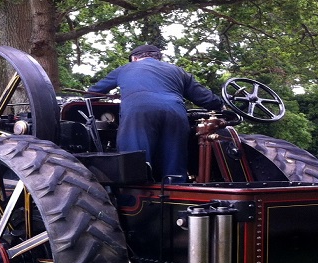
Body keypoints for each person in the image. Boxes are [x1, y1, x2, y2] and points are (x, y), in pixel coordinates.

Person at [88, 44, 224, 182]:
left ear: (134, 58)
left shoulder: (124, 69)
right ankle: (175, 194)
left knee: (135, 159)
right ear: (158, 58)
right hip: (176, 113)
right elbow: (206, 99)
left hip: (139, 112)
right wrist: (221, 105)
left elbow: (93, 93)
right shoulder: (178, 71)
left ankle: (134, 197)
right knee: (174, 160)